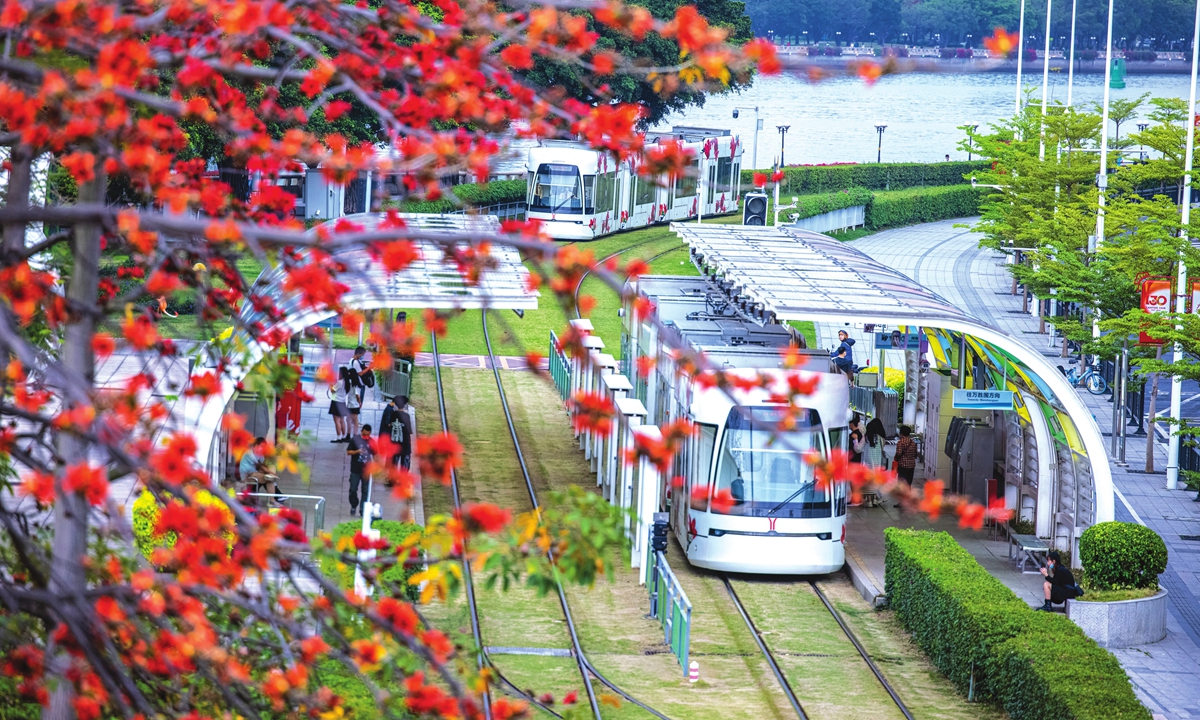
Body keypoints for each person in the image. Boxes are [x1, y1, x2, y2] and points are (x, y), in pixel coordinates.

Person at [238, 437, 285, 505]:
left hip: (255, 473)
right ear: (256, 445)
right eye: (261, 446)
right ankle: (273, 500)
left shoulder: (259, 454)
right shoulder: (249, 453)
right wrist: (271, 473)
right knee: (269, 478)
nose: (263, 449)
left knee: (271, 472)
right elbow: (259, 466)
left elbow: (264, 464)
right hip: (248, 475)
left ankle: (273, 500)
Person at [380, 394, 413, 473]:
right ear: (405, 405)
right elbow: (409, 430)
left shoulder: (393, 414)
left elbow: (389, 424)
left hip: (394, 442)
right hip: (405, 443)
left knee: (393, 462)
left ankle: (392, 480)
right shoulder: (406, 416)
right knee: (404, 463)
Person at [347, 424, 374, 517]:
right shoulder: (355, 440)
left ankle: (363, 509)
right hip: (355, 469)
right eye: (365, 434)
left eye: (368, 435)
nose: (366, 437)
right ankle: (354, 504)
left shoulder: (371, 441)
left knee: (365, 490)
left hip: (366, 470)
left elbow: (376, 454)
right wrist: (357, 451)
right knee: (353, 489)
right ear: (362, 431)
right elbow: (348, 452)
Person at [892, 425, 919, 507]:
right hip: (911, 465)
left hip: (903, 465)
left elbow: (899, 453)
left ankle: (902, 502)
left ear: (901, 433)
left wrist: (896, 458)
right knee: (908, 483)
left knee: (902, 483)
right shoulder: (913, 443)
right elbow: (915, 454)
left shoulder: (901, 442)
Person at [328, 366, 351, 442]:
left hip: (336, 402)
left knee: (336, 421)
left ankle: (338, 437)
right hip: (342, 402)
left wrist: (330, 384)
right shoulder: (347, 382)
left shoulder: (340, 382)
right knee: (342, 420)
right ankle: (344, 436)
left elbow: (332, 390)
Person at [345, 365, 362, 435]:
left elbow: (357, 395)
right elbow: (358, 396)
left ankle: (352, 434)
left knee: (352, 420)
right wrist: (359, 403)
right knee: (353, 420)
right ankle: (351, 434)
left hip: (352, 405)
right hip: (353, 405)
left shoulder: (352, 384)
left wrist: (359, 402)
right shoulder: (354, 384)